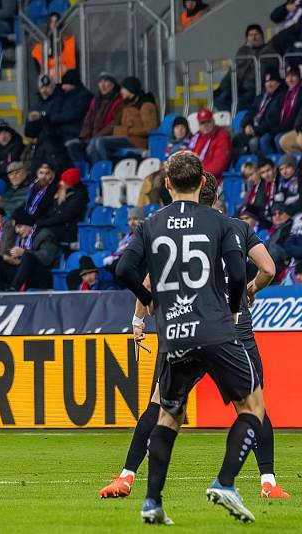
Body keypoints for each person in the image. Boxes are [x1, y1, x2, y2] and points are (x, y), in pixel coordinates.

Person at [101, 170, 287, 502]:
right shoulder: (236, 227)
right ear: (213, 194)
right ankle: (268, 482)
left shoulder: (168, 229)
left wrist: (138, 320)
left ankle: (127, 478)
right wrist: (250, 290)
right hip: (232, 328)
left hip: (183, 326)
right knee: (253, 407)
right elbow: (269, 268)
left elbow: (147, 284)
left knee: (160, 406)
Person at [87, 76, 158, 163]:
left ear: (130, 89)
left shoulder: (145, 105)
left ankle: (106, 168)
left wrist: (126, 131)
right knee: (93, 142)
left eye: (123, 89)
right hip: (126, 138)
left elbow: (150, 129)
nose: (121, 92)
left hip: (137, 141)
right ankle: (97, 169)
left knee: (100, 141)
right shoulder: (127, 105)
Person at [0, 206, 58, 291]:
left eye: (20, 227)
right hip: (22, 274)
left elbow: (47, 258)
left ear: (29, 225)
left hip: (41, 275)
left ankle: (13, 289)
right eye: (16, 227)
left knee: (27, 256)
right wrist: (12, 260)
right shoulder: (22, 238)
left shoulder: (44, 234)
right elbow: (22, 262)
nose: (17, 231)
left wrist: (24, 252)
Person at [67, 72, 123, 166]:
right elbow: (88, 121)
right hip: (92, 137)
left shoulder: (118, 101)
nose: (103, 85)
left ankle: (100, 170)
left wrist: (97, 136)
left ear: (113, 85)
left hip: (108, 137)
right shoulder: (95, 100)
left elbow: (114, 123)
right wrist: (83, 137)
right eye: (100, 82)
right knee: (71, 144)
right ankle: (82, 172)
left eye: (106, 82)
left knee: (95, 144)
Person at [233, 69, 286, 158]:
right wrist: (247, 125)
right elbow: (250, 113)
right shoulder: (260, 97)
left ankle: (267, 164)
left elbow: (272, 120)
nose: (269, 84)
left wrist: (255, 130)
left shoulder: (280, 98)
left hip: (266, 130)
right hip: (254, 129)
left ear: (278, 83)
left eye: (272, 81)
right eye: (267, 81)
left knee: (260, 141)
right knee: (236, 137)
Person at [214, 24, 266, 111]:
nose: (254, 37)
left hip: (254, 88)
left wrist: (242, 87)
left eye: (256, 34)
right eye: (251, 35)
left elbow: (259, 73)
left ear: (262, 36)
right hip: (239, 88)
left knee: (240, 102)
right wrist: (222, 87)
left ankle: (238, 120)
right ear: (247, 38)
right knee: (219, 99)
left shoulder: (267, 50)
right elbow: (234, 70)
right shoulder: (243, 50)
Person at [37, 168, 88, 244]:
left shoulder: (79, 195)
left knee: (44, 232)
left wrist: (45, 223)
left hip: (69, 229)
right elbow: (52, 211)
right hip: (57, 225)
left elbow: (66, 215)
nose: (61, 182)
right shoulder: (62, 191)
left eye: (64, 181)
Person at [187, 108, 233, 183]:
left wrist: (196, 173)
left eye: (208, 122)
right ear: (198, 124)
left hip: (212, 180)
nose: (205, 125)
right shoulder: (196, 137)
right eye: (202, 123)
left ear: (213, 121)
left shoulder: (222, 136)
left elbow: (218, 166)